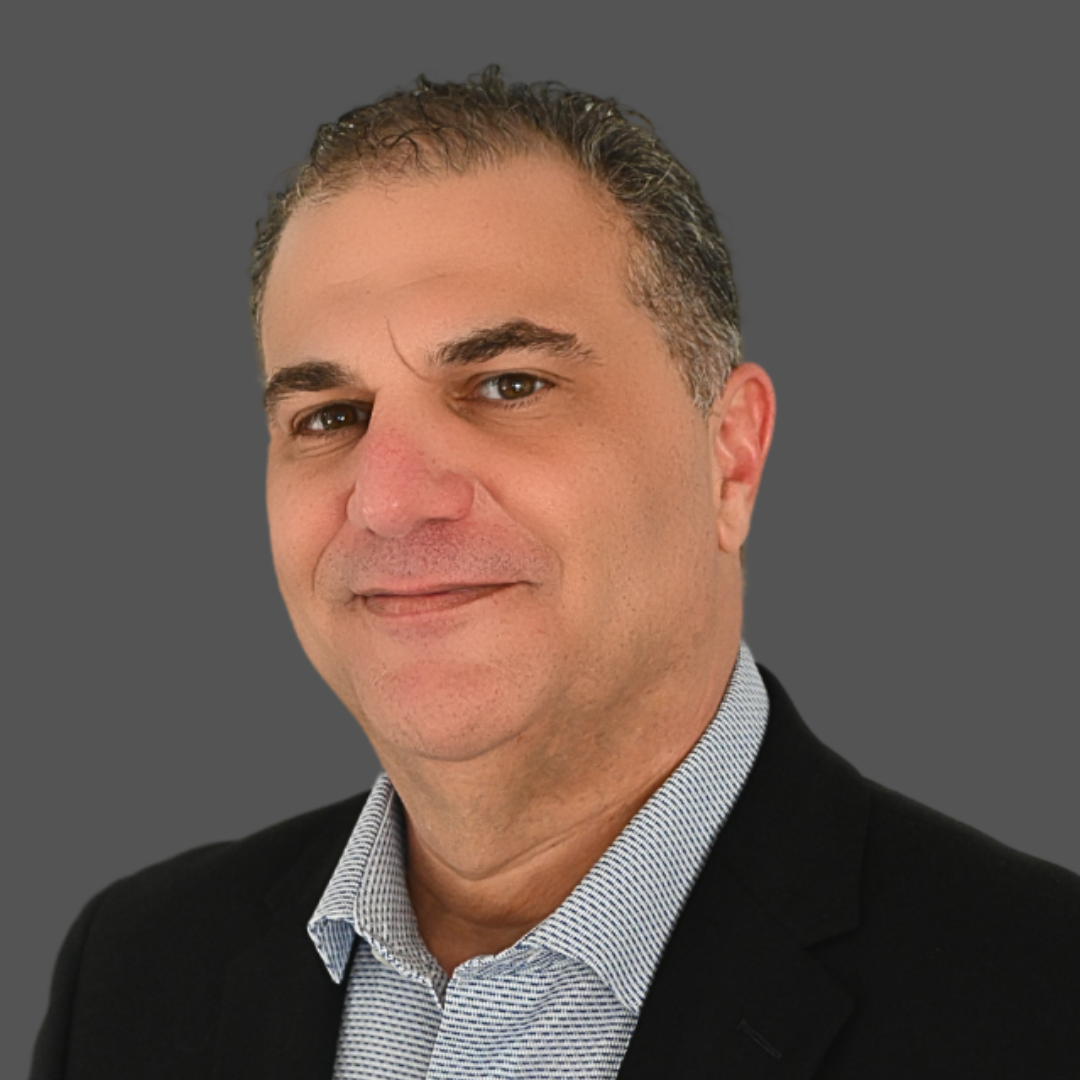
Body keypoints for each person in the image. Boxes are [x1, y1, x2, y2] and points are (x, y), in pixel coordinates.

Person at [31, 67, 1080, 1080]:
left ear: (731, 454)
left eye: (508, 384)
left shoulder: (1039, 1001)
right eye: (330, 416)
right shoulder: (134, 976)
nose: (390, 498)